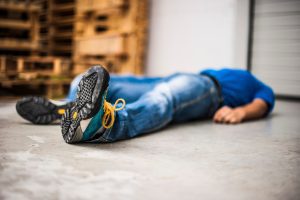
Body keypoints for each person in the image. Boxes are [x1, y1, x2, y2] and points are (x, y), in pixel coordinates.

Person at [16, 65, 275, 144]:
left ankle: (103, 123)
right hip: (178, 78)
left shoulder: (256, 83)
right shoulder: (217, 69)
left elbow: (264, 103)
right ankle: (69, 106)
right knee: (94, 80)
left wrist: (240, 111)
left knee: (163, 99)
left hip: (207, 90)